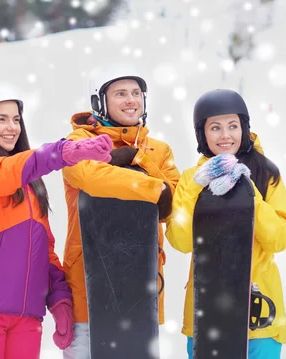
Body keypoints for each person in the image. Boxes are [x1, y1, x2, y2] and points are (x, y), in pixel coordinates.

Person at [0, 84, 114, 359]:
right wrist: (62, 152)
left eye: (16, 120)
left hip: (26, 319)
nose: (12, 127)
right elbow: (4, 172)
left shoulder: (30, 184)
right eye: (1, 119)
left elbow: (44, 247)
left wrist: (59, 299)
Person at [61, 65, 181, 359]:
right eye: (120, 94)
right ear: (100, 102)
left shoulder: (158, 150)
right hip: (89, 290)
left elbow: (172, 203)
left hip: (140, 288)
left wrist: (138, 158)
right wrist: (153, 188)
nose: (131, 100)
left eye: (136, 93)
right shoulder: (77, 143)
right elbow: (90, 177)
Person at [166, 89, 286, 359]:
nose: (225, 135)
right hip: (206, 314)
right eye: (215, 127)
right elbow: (180, 240)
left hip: (258, 314)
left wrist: (249, 193)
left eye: (233, 126)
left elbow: (279, 238)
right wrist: (196, 189)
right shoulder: (190, 179)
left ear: (244, 128)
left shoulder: (266, 173)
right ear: (203, 134)